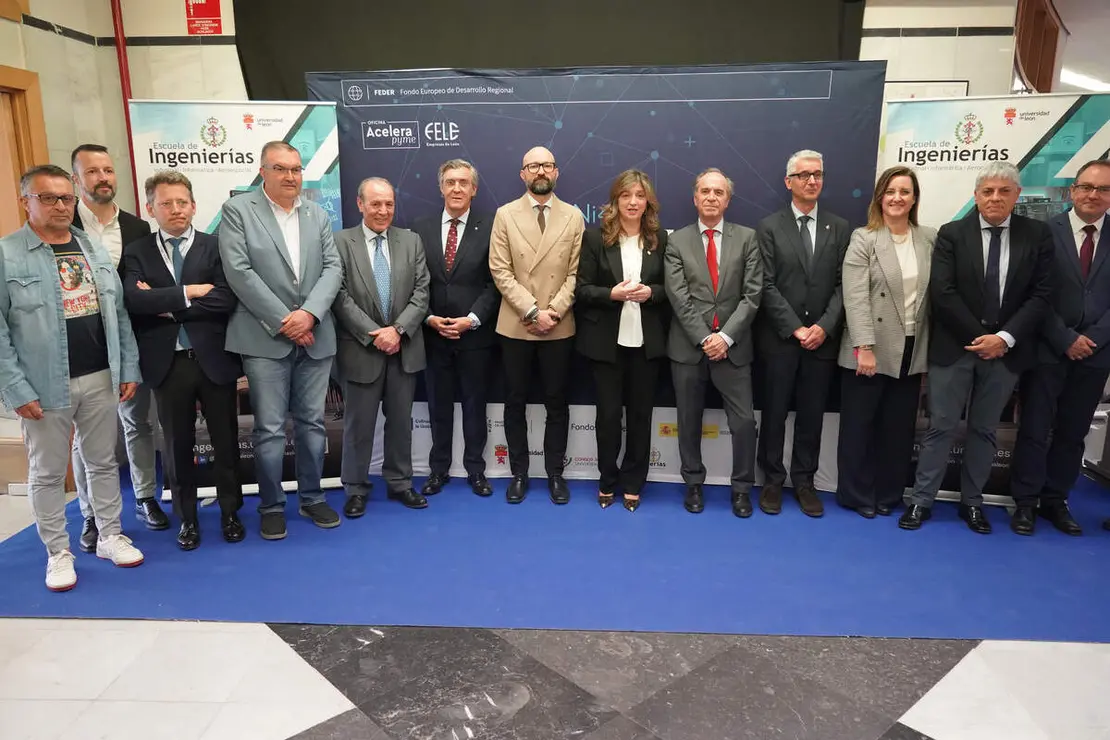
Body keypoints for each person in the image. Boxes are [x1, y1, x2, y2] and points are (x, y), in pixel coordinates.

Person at [0, 165, 144, 591]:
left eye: (66, 198)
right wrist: (15, 388)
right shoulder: (7, 255)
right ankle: (58, 553)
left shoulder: (90, 247)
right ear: (25, 201)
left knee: (102, 462)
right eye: (48, 197)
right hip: (43, 385)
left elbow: (118, 312)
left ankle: (110, 535)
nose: (60, 206)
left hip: (100, 375)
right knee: (47, 473)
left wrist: (128, 366)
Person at [900, 162, 1053, 533]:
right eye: (988, 191)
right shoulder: (952, 233)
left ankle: (972, 503)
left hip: (1006, 352)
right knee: (940, 427)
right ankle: (921, 501)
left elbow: (1042, 294)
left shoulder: (1037, 234)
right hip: (956, 348)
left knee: (984, 430)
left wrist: (1003, 339)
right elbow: (943, 292)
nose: (995, 198)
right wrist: (981, 338)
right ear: (976, 196)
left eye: (1004, 191)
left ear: (1017, 195)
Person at [218, 141, 343, 540]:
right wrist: (284, 321)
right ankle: (271, 506)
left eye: (296, 169)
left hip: (315, 334)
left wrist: (309, 315)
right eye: (280, 168)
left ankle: (312, 497)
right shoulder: (238, 210)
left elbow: (332, 267)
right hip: (263, 338)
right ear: (263, 171)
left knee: (312, 424)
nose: (290, 176)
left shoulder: (317, 214)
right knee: (270, 430)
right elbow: (239, 272)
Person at [121, 171, 244, 549]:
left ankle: (230, 513)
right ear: (151, 209)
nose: (175, 209)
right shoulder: (137, 251)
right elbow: (135, 300)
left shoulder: (216, 246)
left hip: (214, 360)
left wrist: (167, 303)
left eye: (182, 202)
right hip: (168, 363)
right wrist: (190, 292)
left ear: (193, 206)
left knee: (226, 442)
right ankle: (187, 519)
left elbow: (226, 298)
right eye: (166, 203)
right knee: (176, 447)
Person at [1009, 159, 1110, 536]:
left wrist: (1094, 338)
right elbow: (1032, 293)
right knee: (1035, 428)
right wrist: (1065, 338)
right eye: (1086, 187)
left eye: (1103, 189)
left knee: (1073, 432)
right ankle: (1025, 502)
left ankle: (1055, 500)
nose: (1093, 194)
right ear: (1072, 190)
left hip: (1096, 353)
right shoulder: (1043, 233)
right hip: (1047, 349)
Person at [69, 144, 162, 550]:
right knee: (85, 436)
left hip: (132, 342)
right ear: (76, 179)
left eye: (107, 170)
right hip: (83, 346)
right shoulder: (64, 223)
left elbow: (145, 286)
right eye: (92, 171)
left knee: (137, 422)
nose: (102, 178)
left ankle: (144, 496)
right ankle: (90, 514)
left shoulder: (138, 227)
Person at [754, 149, 851, 518]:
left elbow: (845, 285)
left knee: (812, 415)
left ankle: (805, 482)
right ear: (788, 182)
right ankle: (772, 480)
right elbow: (765, 284)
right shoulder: (769, 227)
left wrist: (823, 327)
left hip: (821, 342)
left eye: (818, 174)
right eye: (804, 175)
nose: (812, 181)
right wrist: (796, 328)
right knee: (775, 412)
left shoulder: (839, 227)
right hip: (781, 340)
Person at [837, 166, 936, 518]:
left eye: (904, 192)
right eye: (890, 191)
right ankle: (857, 494)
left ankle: (889, 493)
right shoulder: (864, 238)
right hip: (871, 347)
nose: (897, 198)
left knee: (898, 428)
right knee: (860, 427)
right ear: (880, 197)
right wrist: (864, 347)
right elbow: (855, 297)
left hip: (912, 347)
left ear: (914, 198)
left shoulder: (929, 238)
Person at [489, 146, 584, 504]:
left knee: (556, 402)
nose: (540, 171)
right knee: (514, 401)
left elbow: (576, 272)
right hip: (517, 325)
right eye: (533, 166)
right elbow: (500, 269)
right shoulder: (505, 215)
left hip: (558, 325)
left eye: (546, 165)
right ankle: (519, 473)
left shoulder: (573, 216)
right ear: (522, 174)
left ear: (556, 172)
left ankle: (556, 474)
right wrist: (532, 311)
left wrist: (552, 312)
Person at [665, 168, 762, 517]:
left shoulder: (748, 238)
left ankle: (742, 489)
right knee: (689, 420)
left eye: (718, 192)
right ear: (695, 198)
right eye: (705, 191)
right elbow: (678, 297)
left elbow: (752, 295)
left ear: (728, 200)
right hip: (689, 348)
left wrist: (725, 337)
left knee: (744, 423)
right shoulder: (677, 241)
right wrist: (706, 338)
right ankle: (693, 483)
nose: (711, 197)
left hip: (734, 348)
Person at [332, 178, 430, 516]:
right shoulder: (340, 242)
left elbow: (422, 292)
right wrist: (376, 334)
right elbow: (339, 296)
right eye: (375, 204)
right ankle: (356, 488)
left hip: (403, 349)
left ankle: (400, 483)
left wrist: (398, 330)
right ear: (360, 204)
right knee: (358, 426)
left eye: (389, 204)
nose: (383, 211)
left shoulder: (411, 241)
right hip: (361, 349)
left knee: (401, 423)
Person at [575, 170, 670, 512]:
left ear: (648, 202)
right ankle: (607, 480)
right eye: (626, 195)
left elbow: (672, 289)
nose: (633, 202)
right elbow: (581, 290)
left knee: (641, 417)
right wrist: (611, 294)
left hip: (647, 344)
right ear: (615, 200)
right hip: (606, 345)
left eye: (640, 196)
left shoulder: (660, 239)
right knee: (609, 417)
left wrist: (652, 293)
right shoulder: (595, 238)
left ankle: (633, 483)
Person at [412, 159, 498, 497]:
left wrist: (472, 319)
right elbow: (412, 281)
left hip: (475, 335)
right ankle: (438, 470)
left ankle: (476, 470)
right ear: (441, 187)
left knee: (476, 407)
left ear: (474, 189)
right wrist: (429, 317)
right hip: (433, 335)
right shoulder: (419, 227)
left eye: (464, 183)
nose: (457, 188)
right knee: (438, 406)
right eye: (450, 182)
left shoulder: (491, 226)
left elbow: (496, 282)